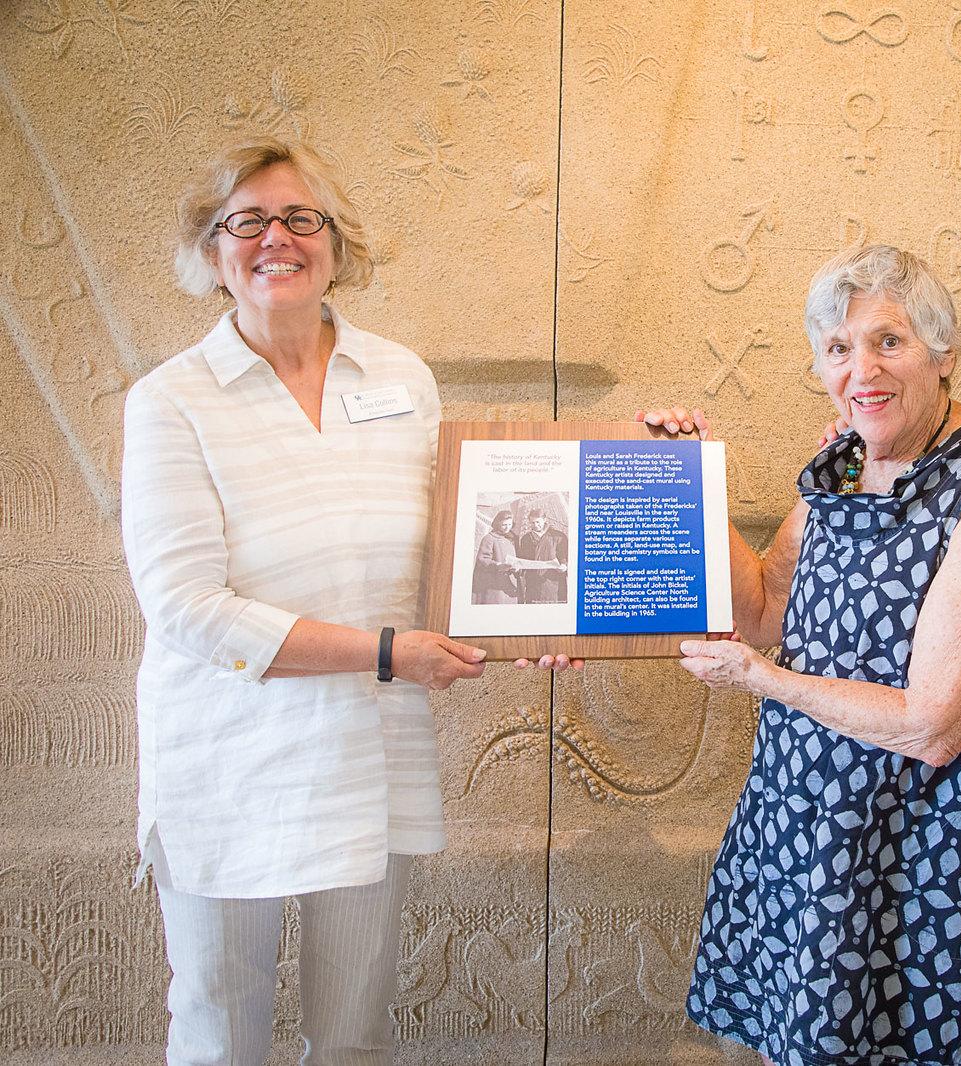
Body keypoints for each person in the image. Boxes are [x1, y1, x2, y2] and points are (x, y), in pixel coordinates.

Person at [120, 136, 569, 1066]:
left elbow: (471, 543)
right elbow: (186, 606)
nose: (275, 237)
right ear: (213, 254)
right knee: (218, 1025)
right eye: (245, 221)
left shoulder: (400, 376)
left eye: (299, 217)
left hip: (368, 752)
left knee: (357, 1029)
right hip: (226, 758)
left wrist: (552, 615)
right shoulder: (171, 400)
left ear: (336, 244)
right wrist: (385, 653)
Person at [642, 245, 961, 1064]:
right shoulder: (843, 464)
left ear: (944, 355)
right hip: (803, 821)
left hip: (918, 843)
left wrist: (764, 683)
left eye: (888, 341)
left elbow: (939, 725)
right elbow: (764, 608)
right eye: (838, 349)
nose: (860, 369)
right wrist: (686, 478)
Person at [515, 508, 568, 604]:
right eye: (532, 523)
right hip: (533, 582)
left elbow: (564, 556)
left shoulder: (557, 536)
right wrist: (519, 566)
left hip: (553, 581)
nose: (535, 525)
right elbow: (523, 559)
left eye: (538, 522)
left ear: (545, 519)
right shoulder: (526, 538)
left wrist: (564, 565)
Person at [473, 509, 520, 604]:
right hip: (494, 584)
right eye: (504, 525)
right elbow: (482, 560)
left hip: (509, 582)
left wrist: (517, 567)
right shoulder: (489, 538)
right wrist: (498, 565)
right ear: (497, 524)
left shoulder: (511, 538)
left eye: (510, 524)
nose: (507, 527)